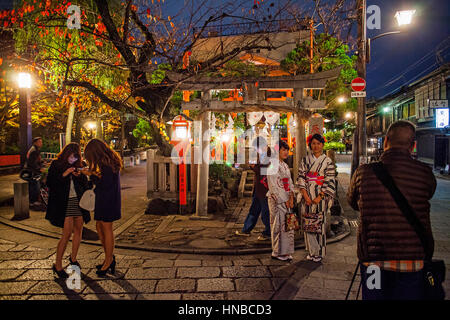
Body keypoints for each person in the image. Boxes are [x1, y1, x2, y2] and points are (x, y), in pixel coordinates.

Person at [347, 120, 436, 300]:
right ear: (413, 146)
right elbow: (428, 194)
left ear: (386, 141)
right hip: (413, 260)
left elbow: (352, 202)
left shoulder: (363, 172)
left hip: (374, 259)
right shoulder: (425, 173)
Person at [45, 143, 91, 279]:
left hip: (78, 201)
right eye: (71, 155)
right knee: (66, 233)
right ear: (66, 153)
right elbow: (50, 183)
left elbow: (86, 184)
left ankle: (73, 258)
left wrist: (79, 175)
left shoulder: (79, 164)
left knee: (79, 230)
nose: (73, 158)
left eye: (76, 155)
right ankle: (57, 264)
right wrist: (64, 174)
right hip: (63, 203)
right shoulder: (56, 164)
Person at [82, 138, 122, 277]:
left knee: (106, 228)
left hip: (108, 200)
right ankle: (108, 257)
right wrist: (92, 173)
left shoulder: (107, 163)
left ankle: (109, 260)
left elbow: (104, 183)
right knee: (99, 227)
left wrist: (91, 175)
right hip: (105, 199)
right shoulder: (107, 160)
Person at [296, 134, 336, 263]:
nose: (316, 146)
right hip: (306, 195)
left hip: (320, 197)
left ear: (322, 145)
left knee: (319, 224)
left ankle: (319, 252)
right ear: (310, 145)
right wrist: (306, 196)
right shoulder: (305, 160)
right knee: (308, 224)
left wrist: (320, 196)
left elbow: (329, 179)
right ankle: (311, 250)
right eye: (313, 143)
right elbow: (301, 177)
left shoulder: (327, 161)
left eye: (318, 143)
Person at [235, 137, 271, 240]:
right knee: (254, 210)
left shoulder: (269, 156)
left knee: (265, 212)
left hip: (265, 189)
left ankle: (268, 232)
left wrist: (253, 167)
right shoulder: (263, 155)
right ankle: (246, 230)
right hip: (259, 188)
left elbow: (265, 171)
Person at [267, 140, 295, 261]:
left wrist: (292, 195)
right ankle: (277, 251)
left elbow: (289, 182)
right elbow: (274, 185)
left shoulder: (284, 165)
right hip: (278, 199)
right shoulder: (272, 165)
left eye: (286, 150)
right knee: (278, 225)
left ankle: (286, 251)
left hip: (286, 198)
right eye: (283, 150)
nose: (285, 152)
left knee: (287, 225)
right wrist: (284, 199)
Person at [25, 137, 44, 208]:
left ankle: (33, 201)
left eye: (41, 142)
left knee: (34, 186)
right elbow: (32, 163)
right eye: (39, 142)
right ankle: (33, 201)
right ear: (35, 143)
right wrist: (39, 169)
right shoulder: (33, 150)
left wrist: (42, 162)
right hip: (32, 172)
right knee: (34, 186)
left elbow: (36, 160)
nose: (41, 143)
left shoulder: (35, 149)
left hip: (33, 171)